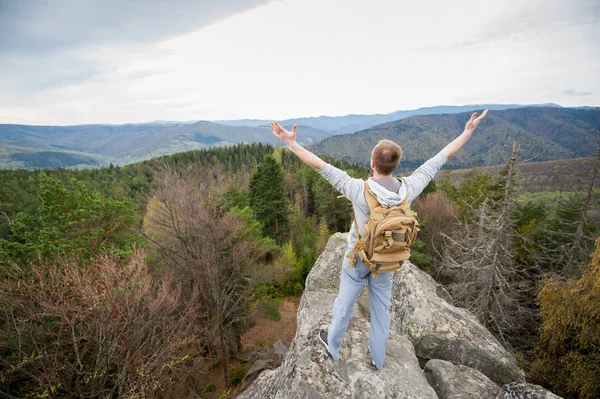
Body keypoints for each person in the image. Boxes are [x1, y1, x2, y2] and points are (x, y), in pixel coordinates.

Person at [270, 109, 488, 369]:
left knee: (345, 302)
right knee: (381, 310)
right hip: (388, 258)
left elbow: (319, 166)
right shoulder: (410, 188)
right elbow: (441, 157)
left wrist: (291, 143)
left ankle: (334, 345)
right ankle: (378, 359)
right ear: (396, 165)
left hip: (358, 259)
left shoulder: (358, 190)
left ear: (372, 164)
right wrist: (467, 132)